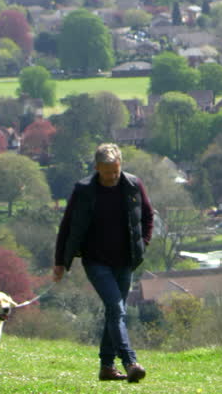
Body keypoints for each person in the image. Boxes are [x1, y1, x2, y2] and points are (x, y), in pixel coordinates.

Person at [54, 143, 155, 383]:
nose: (112, 176)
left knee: (114, 312)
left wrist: (144, 243)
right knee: (117, 309)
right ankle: (130, 362)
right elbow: (67, 226)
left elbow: (148, 216)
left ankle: (106, 368)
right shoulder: (84, 190)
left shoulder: (133, 185)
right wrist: (59, 262)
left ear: (121, 166)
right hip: (96, 261)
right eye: (107, 171)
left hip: (126, 261)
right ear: (97, 168)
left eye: (116, 171)